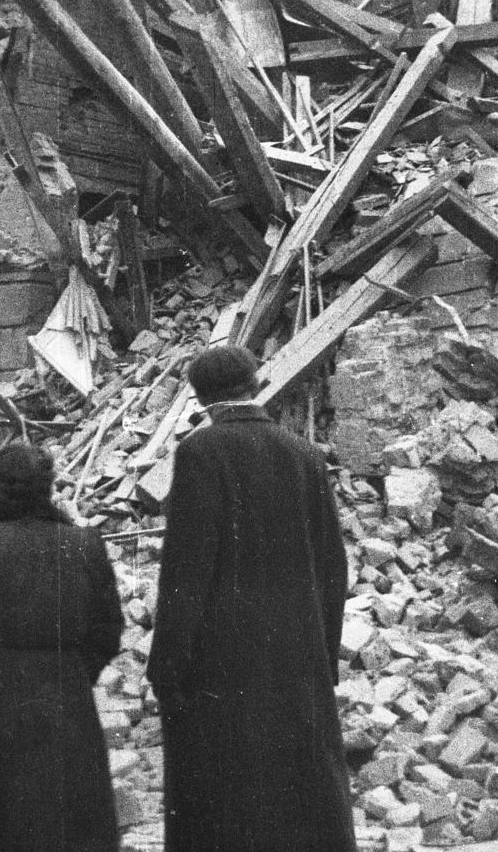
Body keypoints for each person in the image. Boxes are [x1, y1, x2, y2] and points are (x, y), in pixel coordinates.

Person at [147, 345, 356, 852]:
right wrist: (323, 657)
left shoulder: (199, 452)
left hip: (223, 660)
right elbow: (334, 566)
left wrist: (167, 663)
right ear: (256, 383)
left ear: (200, 397)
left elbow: (187, 570)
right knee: (301, 798)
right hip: (296, 656)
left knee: (226, 801)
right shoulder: (304, 455)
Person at [0, 440, 124, 852]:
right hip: (66, 702)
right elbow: (107, 628)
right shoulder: (84, 543)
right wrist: (70, 671)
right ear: (46, 488)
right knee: (64, 826)